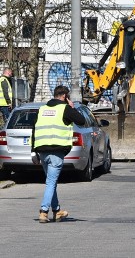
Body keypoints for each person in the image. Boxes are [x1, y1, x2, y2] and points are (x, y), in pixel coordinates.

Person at [31, 85, 86, 223]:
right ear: (64, 97)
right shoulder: (65, 108)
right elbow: (81, 120)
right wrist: (72, 107)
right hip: (56, 151)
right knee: (51, 182)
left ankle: (56, 211)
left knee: (51, 182)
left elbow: (34, 130)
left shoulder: (42, 109)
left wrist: (33, 151)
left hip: (42, 151)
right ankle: (43, 211)